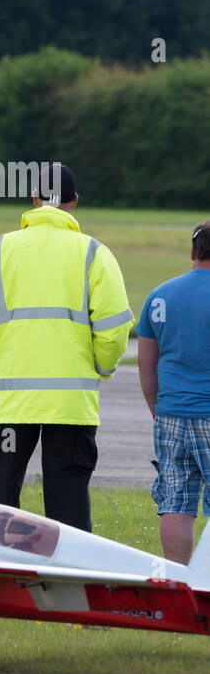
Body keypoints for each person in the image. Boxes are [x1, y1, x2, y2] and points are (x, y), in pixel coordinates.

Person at [0, 163, 133, 532]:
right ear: (73, 202)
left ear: (34, 199)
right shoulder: (93, 253)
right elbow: (115, 327)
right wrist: (100, 366)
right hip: (70, 402)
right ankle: (70, 576)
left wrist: (0, 365)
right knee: (68, 493)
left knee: (2, 492)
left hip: (13, 399)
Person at [136, 221, 210, 564]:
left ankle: (181, 582)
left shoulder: (159, 296)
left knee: (176, 503)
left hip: (170, 412)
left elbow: (146, 366)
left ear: (193, 251)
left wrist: (157, 408)